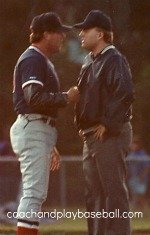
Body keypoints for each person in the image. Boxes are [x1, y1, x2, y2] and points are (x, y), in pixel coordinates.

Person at [10, 12, 79, 235]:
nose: (62, 37)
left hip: (38, 127)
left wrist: (50, 141)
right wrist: (66, 97)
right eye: (59, 33)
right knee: (33, 192)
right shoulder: (33, 58)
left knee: (36, 193)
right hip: (33, 125)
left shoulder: (40, 59)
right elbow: (34, 97)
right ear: (46, 34)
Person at [73, 10, 135, 235]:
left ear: (100, 34)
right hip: (91, 134)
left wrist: (107, 123)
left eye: (85, 29)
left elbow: (124, 92)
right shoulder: (90, 61)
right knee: (94, 194)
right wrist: (81, 125)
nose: (81, 33)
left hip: (108, 133)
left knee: (112, 191)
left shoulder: (113, 58)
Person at [127, 136, 150, 208]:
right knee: (134, 195)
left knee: (141, 195)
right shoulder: (131, 155)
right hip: (133, 178)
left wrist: (142, 176)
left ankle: (145, 208)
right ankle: (139, 210)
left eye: (134, 144)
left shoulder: (143, 154)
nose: (132, 146)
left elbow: (147, 166)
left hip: (141, 179)